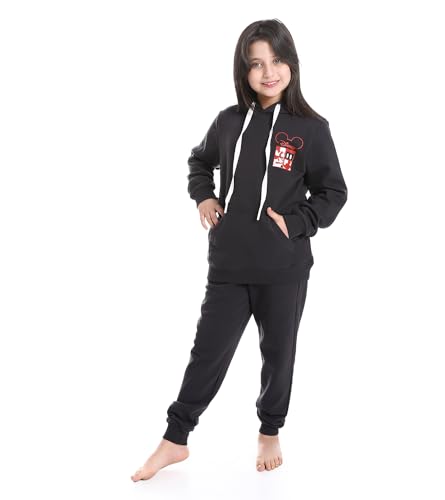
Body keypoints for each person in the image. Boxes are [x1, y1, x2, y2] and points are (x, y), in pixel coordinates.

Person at [131, 18, 348, 481]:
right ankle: (175, 439)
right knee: (207, 353)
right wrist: (204, 196)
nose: (268, 72)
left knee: (278, 355)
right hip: (229, 264)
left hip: (284, 267)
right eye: (256, 64)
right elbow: (199, 161)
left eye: (276, 60)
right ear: (243, 71)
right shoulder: (229, 122)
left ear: (291, 63)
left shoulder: (311, 128)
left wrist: (296, 222)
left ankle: (270, 430)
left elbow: (333, 192)